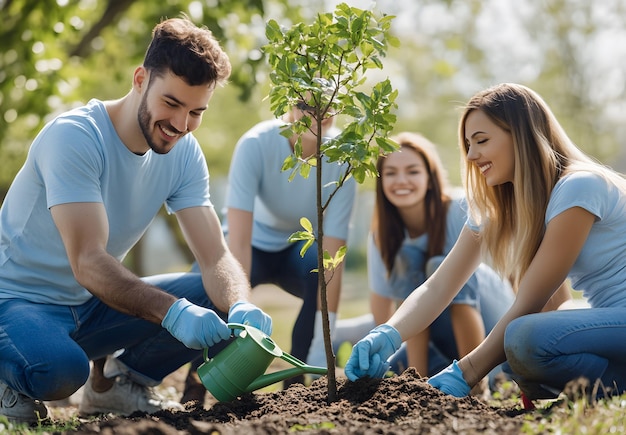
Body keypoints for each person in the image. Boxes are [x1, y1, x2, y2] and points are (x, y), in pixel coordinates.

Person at [0, 16, 272, 425]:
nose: (181, 126)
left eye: (196, 111)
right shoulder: (75, 137)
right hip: (17, 302)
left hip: (87, 306)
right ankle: (10, 379)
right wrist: (174, 314)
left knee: (213, 294)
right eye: (172, 103)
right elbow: (88, 261)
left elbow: (215, 255)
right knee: (58, 372)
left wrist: (240, 304)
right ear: (141, 79)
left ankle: (116, 387)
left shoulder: (183, 152)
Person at [345, 82, 625, 408]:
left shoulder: (580, 186)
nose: (471, 154)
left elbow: (530, 301)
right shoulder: (501, 208)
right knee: (518, 350)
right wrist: (388, 333)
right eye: (468, 144)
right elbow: (438, 287)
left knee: (522, 337)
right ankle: (613, 382)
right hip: (610, 320)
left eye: (482, 140)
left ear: (521, 135)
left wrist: (464, 372)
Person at [180, 97, 357, 401]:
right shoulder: (256, 144)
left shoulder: (343, 160)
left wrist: (321, 350)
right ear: (289, 107)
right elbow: (237, 239)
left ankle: (299, 383)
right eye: (306, 105)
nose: (317, 114)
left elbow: (332, 261)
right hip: (249, 243)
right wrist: (238, 312)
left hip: (296, 249)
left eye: (328, 106)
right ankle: (198, 381)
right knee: (215, 283)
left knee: (318, 273)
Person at [334, 132, 515, 393]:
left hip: (492, 337)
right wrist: (378, 347)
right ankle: (416, 385)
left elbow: (511, 266)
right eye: (391, 173)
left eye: (412, 171)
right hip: (440, 347)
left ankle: (478, 387)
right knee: (388, 372)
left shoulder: (460, 207)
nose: (402, 181)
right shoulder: (382, 235)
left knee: (438, 264)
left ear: (430, 178)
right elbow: (382, 310)